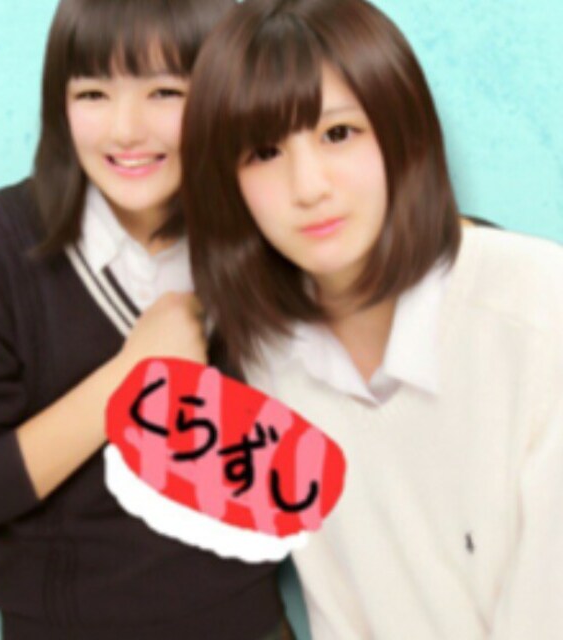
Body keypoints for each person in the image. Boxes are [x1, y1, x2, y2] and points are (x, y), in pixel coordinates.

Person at [180, 0, 563, 638]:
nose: (309, 187)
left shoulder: (539, 310)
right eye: (265, 152)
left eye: (338, 134)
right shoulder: (264, 360)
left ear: (402, 131)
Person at [0, 1, 290, 638]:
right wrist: (131, 380)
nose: (125, 130)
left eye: (165, 92)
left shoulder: (268, 231)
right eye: (92, 93)